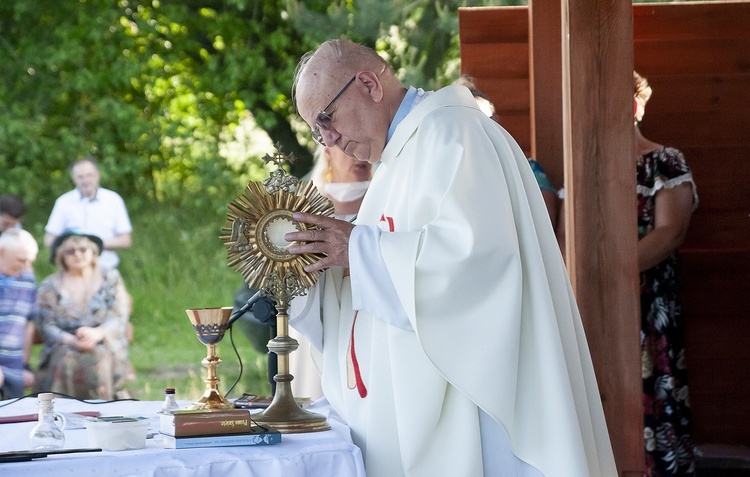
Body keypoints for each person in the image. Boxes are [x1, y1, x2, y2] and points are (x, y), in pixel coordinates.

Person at [285, 38, 617, 477]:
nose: (328, 139)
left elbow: (475, 265)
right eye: (315, 129)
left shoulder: (453, 133)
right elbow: (374, 271)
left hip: (475, 406)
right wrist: (319, 271)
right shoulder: (397, 158)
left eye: (326, 118)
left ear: (368, 83)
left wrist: (357, 249)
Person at [634, 71, 698, 477]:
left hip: (652, 299)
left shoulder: (665, 160)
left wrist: (611, 277)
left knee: (660, 387)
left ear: (637, 104)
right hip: (592, 302)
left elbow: (670, 232)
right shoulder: (585, 164)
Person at [290, 145, 373, 400]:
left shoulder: (384, 200)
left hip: (365, 308)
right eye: (349, 147)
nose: (359, 156)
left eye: (364, 147)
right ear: (327, 151)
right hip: (316, 307)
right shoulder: (304, 204)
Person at [34, 230, 134, 400]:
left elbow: (119, 315)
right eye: (70, 251)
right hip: (64, 342)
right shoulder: (49, 285)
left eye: (83, 249)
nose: (77, 255)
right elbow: (47, 324)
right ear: (61, 256)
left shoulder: (110, 278)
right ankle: (61, 412)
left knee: (98, 355)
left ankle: (103, 407)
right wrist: (71, 340)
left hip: (103, 339)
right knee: (66, 358)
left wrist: (98, 333)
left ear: (93, 252)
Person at [455, 75, 559, 229]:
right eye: (474, 123)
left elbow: (545, 226)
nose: (484, 129)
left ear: (497, 120)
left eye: (488, 120)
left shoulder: (529, 169)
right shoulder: (455, 176)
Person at [44, 157, 132, 270]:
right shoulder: (63, 202)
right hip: (72, 271)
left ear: (98, 175)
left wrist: (93, 244)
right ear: (73, 179)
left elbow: (125, 240)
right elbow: (49, 240)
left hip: (105, 268)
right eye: (80, 177)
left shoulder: (113, 200)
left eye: (89, 175)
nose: (85, 180)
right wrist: (72, 248)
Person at [0, 229, 38, 398]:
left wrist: (25, 365)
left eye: (29, 261)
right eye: (21, 260)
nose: (25, 267)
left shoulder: (27, 280)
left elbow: (28, 324)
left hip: (14, 366)